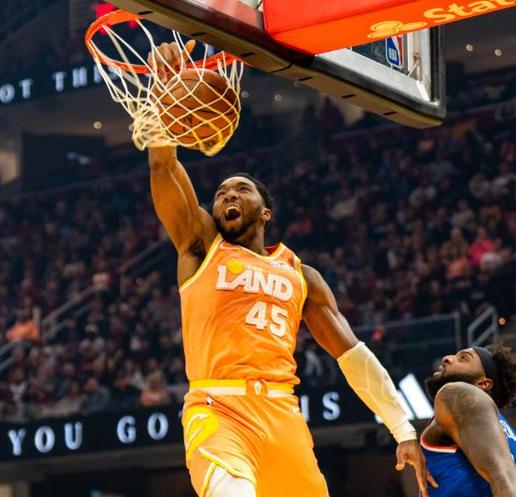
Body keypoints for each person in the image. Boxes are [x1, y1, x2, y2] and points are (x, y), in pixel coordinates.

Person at [146, 42, 436, 497]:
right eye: (220, 193)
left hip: (283, 416)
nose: (227, 195)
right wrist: (162, 94)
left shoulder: (301, 275)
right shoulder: (201, 246)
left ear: (265, 212)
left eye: (240, 189)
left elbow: (353, 356)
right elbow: (163, 166)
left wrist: (402, 428)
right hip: (218, 407)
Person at [421, 344, 516, 497]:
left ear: (483, 383)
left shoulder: (457, 393)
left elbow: (503, 480)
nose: (447, 358)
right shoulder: (508, 433)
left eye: (463, 358)